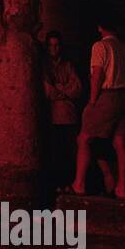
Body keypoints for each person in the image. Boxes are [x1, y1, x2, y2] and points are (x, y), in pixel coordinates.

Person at [71, 18, 125, 198]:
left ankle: (79, 183)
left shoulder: (100, 47)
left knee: (84, 138)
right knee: (120, 142)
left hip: (106, 95)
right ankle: (122, 187)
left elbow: (98, 74)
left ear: (100, 27)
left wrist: (93, 100)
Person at [43, 32, 82, 190]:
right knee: (54, 153)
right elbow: (47, 91)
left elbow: (77, 88)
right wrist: (64, 90)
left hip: (69, 116)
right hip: (52, 116)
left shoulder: (68, 65)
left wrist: (60, 89)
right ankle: (56, 184)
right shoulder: (44, 66)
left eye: (57, 45)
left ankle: (68, 183)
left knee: (70, 152)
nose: (54, 48)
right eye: (51, 45)